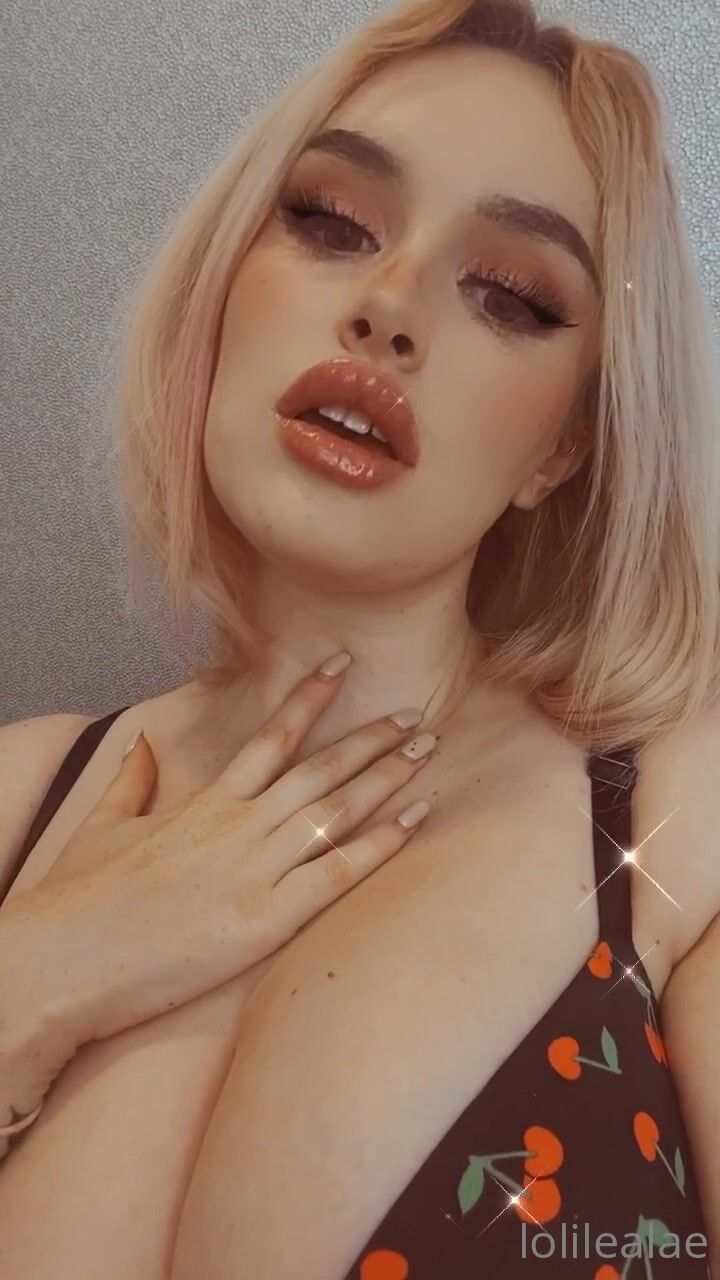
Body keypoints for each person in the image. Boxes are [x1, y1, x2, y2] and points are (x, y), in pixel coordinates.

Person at [0, 0, 719, 1274]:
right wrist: (43, 970)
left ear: (562, 447)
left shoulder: (674, 824)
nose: (390, 306)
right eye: (332, 223)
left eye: (510, 294)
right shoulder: (17, 799)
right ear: (225, 286)